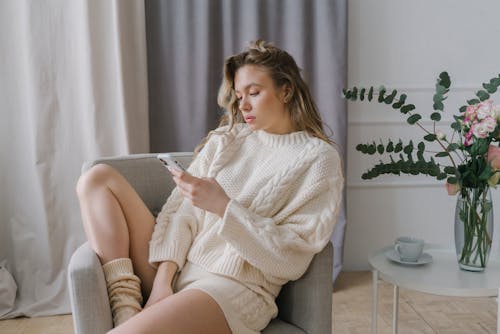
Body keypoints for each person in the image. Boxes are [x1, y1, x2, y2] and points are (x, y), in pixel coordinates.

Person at [76, 40, 344, 334]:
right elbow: (181, 214)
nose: (243, 105)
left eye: (254, 93)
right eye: (240, 95)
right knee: (97, 178)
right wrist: (162, 284)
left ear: (286, 90)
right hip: (177, 267)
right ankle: (126, 306)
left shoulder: (319, 160)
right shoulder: (227, 139)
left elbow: (291, 258)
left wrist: (223, 206)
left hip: (232, 288)